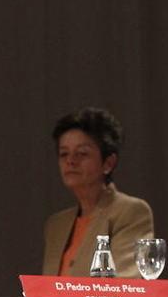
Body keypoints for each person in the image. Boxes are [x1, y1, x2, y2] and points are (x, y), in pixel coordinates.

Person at [41, 107, 154, 277]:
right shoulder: (56, 225)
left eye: (82, 153)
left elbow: (123, 285)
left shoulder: (130, 212)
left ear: (108, 163)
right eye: (64, 154)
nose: (71, 161)